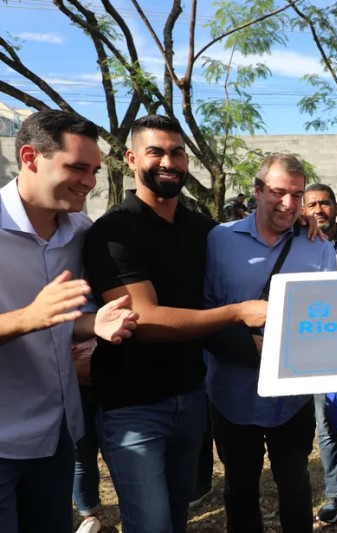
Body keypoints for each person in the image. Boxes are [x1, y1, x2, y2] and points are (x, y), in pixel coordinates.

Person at [82, 114, 268, 533]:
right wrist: (236, 313)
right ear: (131, 159)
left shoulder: (201, 227)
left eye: (178, 153)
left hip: (191, 396)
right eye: (156, 152)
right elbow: (144, 321)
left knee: (177, 514)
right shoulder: (112, 232)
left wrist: (300, 225)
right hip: (133, 407)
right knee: (150, 524)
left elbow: (249, 238)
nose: (169, 162)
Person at [0, 109, 137, 533]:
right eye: (77, 167)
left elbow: (60, 318)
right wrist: (26, 318)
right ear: (30, 157)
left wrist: (92, 324)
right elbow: (37, 318)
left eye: (95, 170)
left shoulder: (80, 230)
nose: (89, 181)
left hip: (57, 432)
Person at [203, 155, 336, 533]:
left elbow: (329, 317)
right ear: (258, 190)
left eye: (297, 195)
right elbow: (205, 311)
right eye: (278, 193)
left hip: (291, 398)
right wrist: (249, 346)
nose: (289, 204)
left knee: (295, 484)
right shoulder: (220, 239)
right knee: (239, 487)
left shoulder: (317, 245)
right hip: (231, 392)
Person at [302, 183, 337, 523]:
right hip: (321, 350)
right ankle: (335, 493)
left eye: (324, 203)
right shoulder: (300, 244)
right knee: (326, 425)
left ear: (336, 206)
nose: (319, 210)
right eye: (312, 205)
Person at [72, 338, 103, 533]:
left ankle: (133, 510)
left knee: (120, 454)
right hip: (73, 390)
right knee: (80, 456)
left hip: (116, 385)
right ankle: (89, 517)